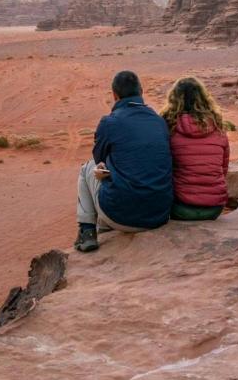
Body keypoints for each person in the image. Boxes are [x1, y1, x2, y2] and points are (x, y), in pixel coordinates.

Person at [75, 70, 172, 253]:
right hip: (159, 215)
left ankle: (87, 231)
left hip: (121, 216)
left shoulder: (109, 122)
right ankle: (104, 226)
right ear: (141, 92)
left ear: (114, 95)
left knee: (88, 168)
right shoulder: (159, 122)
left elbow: (99, 159)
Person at [161, 77, 229, 221]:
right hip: (214, 208)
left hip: (181, 208)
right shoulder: (217, 126)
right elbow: (223, 168)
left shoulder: (167, 126)